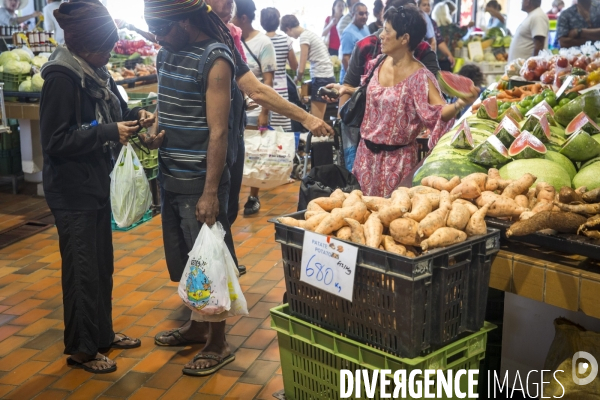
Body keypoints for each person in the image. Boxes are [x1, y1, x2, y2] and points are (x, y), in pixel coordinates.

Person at [146, 0, 333, 371]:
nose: (156, 37)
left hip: (205, 172)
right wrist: (154, 131)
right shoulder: (167, 54)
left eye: (161, 28)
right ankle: (198, 326)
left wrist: (307, 119)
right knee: (187, 255)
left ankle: (217, 340)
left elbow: (229, 119)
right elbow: (169, 107)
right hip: (172, 173)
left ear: (185, 20)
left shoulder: (218, 54)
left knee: (211, 253)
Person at [40, 0, 145, 374]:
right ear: (83, 45)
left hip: (97, 182)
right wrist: (106, 132)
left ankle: (103, 333)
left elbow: (117, 112)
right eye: (105, 47)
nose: (110, 54)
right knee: (82, 269)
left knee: (102, 266)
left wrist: (137, 118)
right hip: (71, 191)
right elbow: (55, 140)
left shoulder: (98, 73)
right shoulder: (62, 77)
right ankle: (82, 349)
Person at [352, 4, 478, 197]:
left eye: (386, 31)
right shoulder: (376, 64)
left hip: (397, 163)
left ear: (404, 38)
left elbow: (438, 112)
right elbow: (376, 97)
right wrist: (345, 89)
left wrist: (460, 103)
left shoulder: (420, 77)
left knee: (392, 220)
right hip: (365, 158)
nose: (381, 36)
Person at [325, 0, 441, 172]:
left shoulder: (421, 51)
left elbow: (432, 95)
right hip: (365, 142)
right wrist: (345, 123)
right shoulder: (367, 48)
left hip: (399, 152)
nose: (382, 35)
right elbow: (355, 84)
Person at [232, 0, 276, 216]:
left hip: (256, 109)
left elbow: (268, 80)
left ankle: (253, 197)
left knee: (256, 154)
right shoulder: (231, 38)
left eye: (233, 14)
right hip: (236, 109)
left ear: (243, 18)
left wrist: (264, 112)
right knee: (241, 152)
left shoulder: (263, 42)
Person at [281, 14, 336, 121]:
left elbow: (301, 68)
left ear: (288, 28)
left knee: (315, 121)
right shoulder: (309, 34)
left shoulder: (304, 37)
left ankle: (318, 138)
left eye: (287, 33)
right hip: (327, 76)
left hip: (321, 77)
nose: (290, 36)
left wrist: (297, 79)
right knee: (319, 118)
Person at [261, 7, 297, 132]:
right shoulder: (285, 40)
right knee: (282, 133)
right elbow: (294, 65)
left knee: (265, 132)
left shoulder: (260, 40)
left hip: (264, 90)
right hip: (281, 90)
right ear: (277, 22)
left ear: (262, 22)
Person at [432, 1, 473, 71]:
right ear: (446, 13)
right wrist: (468, 26)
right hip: (447, 60)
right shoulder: (452, 28)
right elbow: (462, 32)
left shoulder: (433, 28)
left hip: (433, 60)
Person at [339, 3, 370, 82]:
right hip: (352, 80)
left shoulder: (365, 28)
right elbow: (346, 58)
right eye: (361, 14)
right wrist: (353, 80)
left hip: (363, 76)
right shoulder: (348, 33)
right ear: (353, 14)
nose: (364, 16)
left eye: (366, 13)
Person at [420, 0, 454, 71]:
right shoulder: (415, 21)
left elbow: (438, 40)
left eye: (429, 5)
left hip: (427, 60)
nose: (427, 7)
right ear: (418, 6)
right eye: (424, 5)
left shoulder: (432, 23)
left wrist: (449, 55)